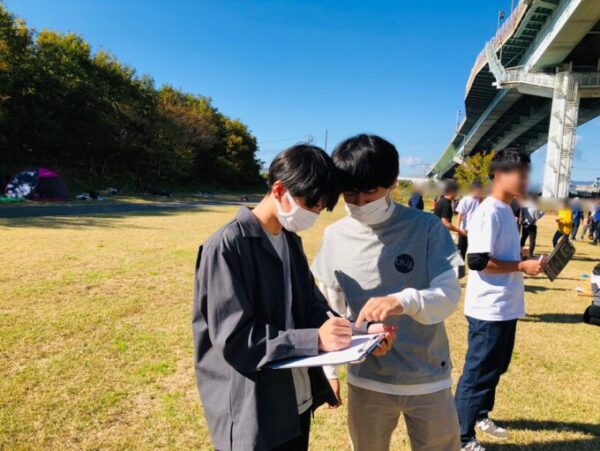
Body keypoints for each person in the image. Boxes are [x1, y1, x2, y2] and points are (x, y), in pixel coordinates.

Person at [193, 145, 354, 451]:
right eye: (311, 204)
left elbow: (311, 305)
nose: (314, 214)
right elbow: (237, 340)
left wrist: (357, 330)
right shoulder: (227, 246)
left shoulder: (290, 241)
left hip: (295, 402)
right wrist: (314, 339)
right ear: (279, 190)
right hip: (253, 410)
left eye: (321, 208)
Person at [312, 134, 462, 451]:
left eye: (370, 192)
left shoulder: (426, 227)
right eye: (349, 194)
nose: (360, 203)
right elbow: (330, 310)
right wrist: (330, 370)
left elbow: (448, 295)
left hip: (427, 377)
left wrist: (402, 300)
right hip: (367, 379)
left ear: (393, 182)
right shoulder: (334, 236)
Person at [454, 149, 544, 451]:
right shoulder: (489, 211)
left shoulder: (506, 209)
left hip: (505, 305)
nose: (524, 180)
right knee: (478, 372)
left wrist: (521, 256)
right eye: (519, 173)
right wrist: (520, 266)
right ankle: (460, 437)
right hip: (488, 308)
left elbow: (496, 251)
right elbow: (478, 261)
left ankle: (479, 415)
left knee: (496, 367)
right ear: (498, 174)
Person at [456, 181, 485, 278]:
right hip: (464, 230)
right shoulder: (465, 199)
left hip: (475, 231)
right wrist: (458, 229)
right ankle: (459, 272)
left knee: (474, 252)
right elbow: (460, 215)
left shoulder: (480, 200)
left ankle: (474, 272)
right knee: (461, 251)